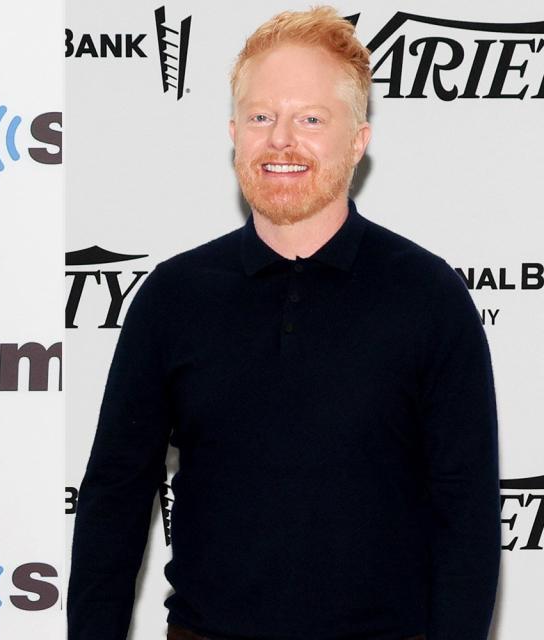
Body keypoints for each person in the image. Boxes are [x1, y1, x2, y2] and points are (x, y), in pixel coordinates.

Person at [68, 6, 500, 640]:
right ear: (234, 132)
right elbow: (114, 497)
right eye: (262, 117)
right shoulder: (173, 297)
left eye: (311, 119)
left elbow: (465, 515)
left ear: (358, 140)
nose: (281, 140)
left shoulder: (428, 296)